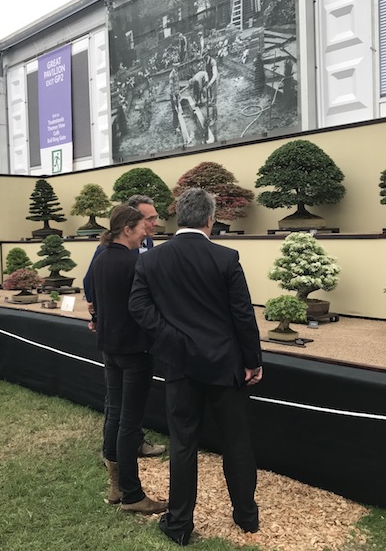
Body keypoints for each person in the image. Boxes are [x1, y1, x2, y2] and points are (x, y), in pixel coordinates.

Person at [129, 187, 263, 546]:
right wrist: (253, 361)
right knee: (237, 443)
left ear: (178, 217)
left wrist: (172, 341)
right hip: (226, 364)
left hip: (180, 366)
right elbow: (243, 314)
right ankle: (246, 516)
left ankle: (179, 524)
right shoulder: (226, 258)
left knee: (183, 445)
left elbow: (139, 309)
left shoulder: (151, 260)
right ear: (210, 219)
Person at [91, 205, 167, 514]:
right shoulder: (135, 263)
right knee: (129, 423)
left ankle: (116, 486)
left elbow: (96, 302)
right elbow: (146, 306)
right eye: (141, 228)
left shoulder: (100, 260)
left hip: (110, 348)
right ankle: (132, 494)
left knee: (116, 414)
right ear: (127, 229)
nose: (144, 233)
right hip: (135, 351)